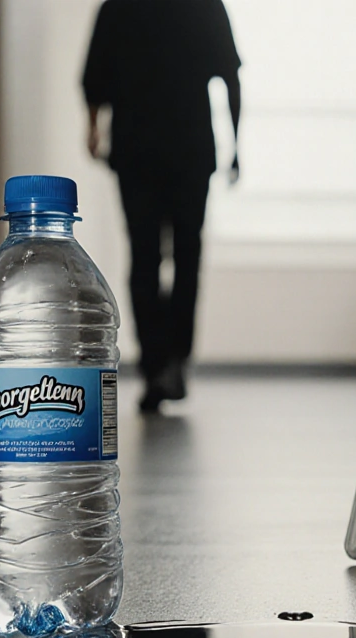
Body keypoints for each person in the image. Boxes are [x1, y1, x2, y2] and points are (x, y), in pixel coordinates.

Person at [82, 0, 241, 412]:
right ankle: (172, 360)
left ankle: (158, 363)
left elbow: (94, 77)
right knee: (186, 256)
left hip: (138, 150)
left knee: (145, 258)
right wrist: (236, 145)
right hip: (188, 149)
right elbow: (229, 75)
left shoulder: (118, 7)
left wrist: (94, 127)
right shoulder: (204, 5)